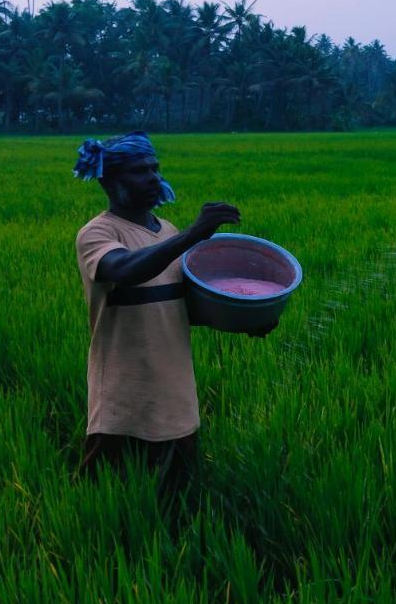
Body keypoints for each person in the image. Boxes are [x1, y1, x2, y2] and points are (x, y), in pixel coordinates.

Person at [71, 131, 258, 502]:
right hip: (124, 391)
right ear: (109, 180)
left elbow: (180, 305)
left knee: (178, 497)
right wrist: (193, 234)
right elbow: (125, 270)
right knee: (103, 498)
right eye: (140, 171)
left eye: (155, 169)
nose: (153, 178)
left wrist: (246, 319)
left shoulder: (166, 231)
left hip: (175, 392)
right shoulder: (98, 232)